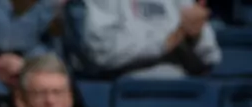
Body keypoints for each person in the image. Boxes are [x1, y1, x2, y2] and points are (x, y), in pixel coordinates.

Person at [78, 0, 219, 80]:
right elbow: (101, 52)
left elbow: (212, 56)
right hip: (128, 89)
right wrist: (165, 43)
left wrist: (194, 37)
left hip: (181, 90)